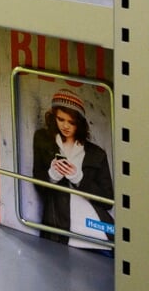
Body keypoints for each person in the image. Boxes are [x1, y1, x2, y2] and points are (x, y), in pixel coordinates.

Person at [30, 89, 115, 247]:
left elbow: (108, 201)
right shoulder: (43, 139)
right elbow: (38, 186)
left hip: (97, 230)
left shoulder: (97, 154)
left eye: (72, 122)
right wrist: (52, 176)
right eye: (61, 119)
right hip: (60, 230)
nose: (65, 126)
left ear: (80, 123)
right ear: (53, 117)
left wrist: (79, 179)